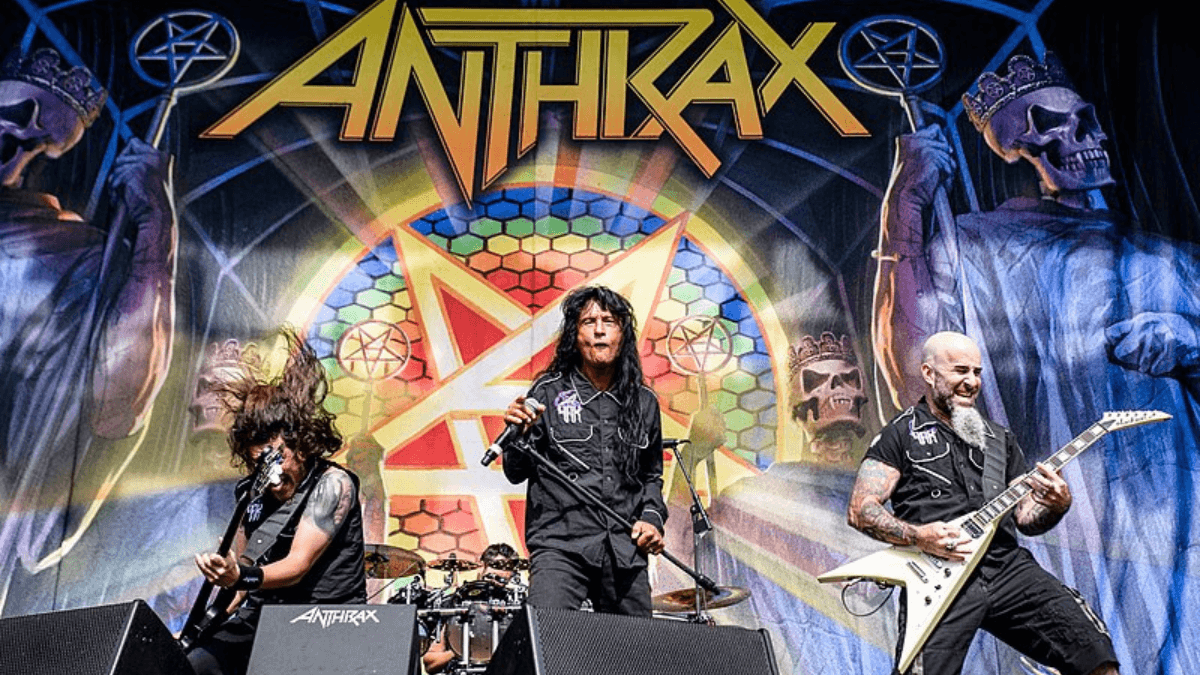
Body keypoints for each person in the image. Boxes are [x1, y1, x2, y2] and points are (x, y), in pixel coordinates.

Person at [0, 46, 177, 614]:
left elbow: (117, 402)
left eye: (33, 138)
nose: (13, 137)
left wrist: (155, 231)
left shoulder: (71, 258)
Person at [847, 331, 1118, 675]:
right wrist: (919, 536)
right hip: (940, 577)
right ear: (929, 373)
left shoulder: (999, 439)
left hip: (1006, 568)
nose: (972, 382)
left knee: (1095, 654)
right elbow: (861, 509)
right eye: (960, 371)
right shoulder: (900, 434)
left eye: (977, 372)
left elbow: (1026, 518)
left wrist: (1056, 503)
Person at [187, 329, 366, 675]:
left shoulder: (333, 484)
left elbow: (297, 565)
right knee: (194, 665)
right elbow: (243, 575)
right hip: (262, 618)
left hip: (322, 622)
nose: (272, 475)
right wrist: (201, 628)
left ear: (301, 444)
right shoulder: (250, 493)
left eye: (277, 459)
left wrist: (241, 576)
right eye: (260, 464)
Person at [502, 285, 666, 617]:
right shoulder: (547, 392)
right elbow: (515, 472)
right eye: (589, 322)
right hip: (561, 546)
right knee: (546, 634)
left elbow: (651, 477)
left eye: (609, 321)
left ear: (622, 334)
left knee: (640, 646)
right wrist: (518, 434)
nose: (600, 330)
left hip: (624, 549)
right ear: (575, 336)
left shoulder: (645, 402)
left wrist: (652, 520)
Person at [422, 543, 524, 674]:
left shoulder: (513, 607)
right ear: (482, 566)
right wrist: (461, 649)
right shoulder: (457, 602)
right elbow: (430, 663)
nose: (494, 584)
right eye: (492, 577)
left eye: (502, 581)